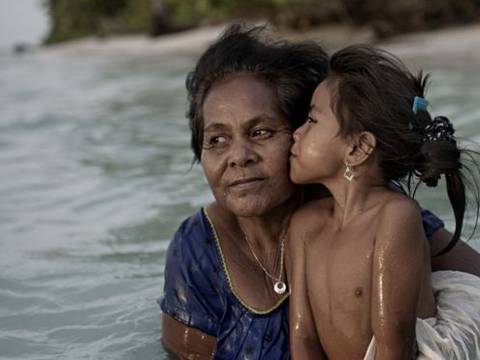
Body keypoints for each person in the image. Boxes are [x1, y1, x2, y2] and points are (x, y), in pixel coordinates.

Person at [159, 25, 480, 359]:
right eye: (216, 140)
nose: (238, 157)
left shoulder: (377, 209)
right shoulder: (198, 251)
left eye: (261, 131)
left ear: (300, 133)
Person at [288, 45, 480, 359]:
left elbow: (394, 345)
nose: (296, 133)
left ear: (358, 149)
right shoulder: (304, 225)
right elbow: (302, 337)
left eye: (311, 120)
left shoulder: (395, 216)